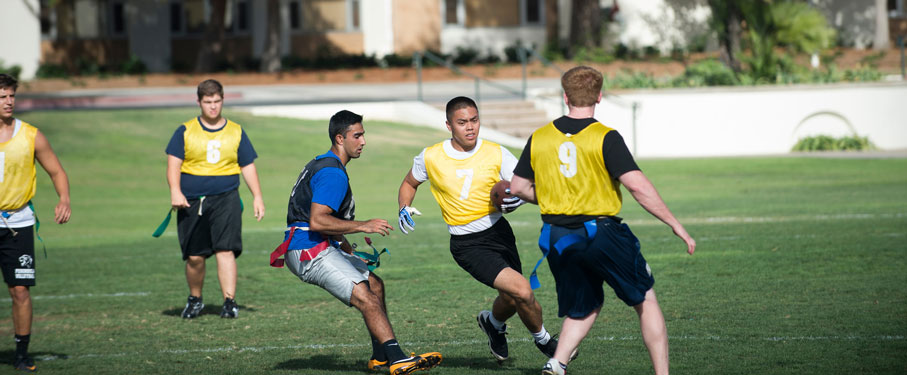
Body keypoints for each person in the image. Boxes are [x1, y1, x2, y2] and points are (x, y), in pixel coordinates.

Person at [508, 66, 696, 375]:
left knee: (585, 304)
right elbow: (637, 186)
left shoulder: (539, 138)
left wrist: (558, 199)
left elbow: (517, 187)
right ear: (600, 96)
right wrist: (674, 223)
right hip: (600, 233)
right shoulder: (605, 137)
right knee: (645, 298)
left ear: (565, 96)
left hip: (555, 234)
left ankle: (558, 362)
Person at [397, 96, 569, 362]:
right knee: (522, 290)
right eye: (462, 122)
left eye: (474, 120)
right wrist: (404, 207)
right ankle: (546, 342)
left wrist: (517, 200)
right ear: (449, 125)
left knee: (511, 298)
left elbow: (524, 187)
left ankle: (492, 324)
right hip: (467, 244)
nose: (470, 127)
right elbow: (409, 183)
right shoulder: (431, 156)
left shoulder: (496, 152)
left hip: (500, 233)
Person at [270, 110, 442, 375]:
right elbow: (318, 221)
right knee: (366, 297)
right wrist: (363, 225)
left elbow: (326, 222)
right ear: (340, 138)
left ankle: (380, 357)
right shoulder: (333, 174)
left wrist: (349, 252)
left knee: (375, 285)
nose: (363, 141)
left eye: (363, 135)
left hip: (314, 245)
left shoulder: (324, 163)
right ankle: (398, 359)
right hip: (308, 249)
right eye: (357, 136)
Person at [165, 79, 265, 319]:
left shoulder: (236, 131)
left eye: (217, 101)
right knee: (195, 257)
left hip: (226, 198)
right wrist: (175, 191)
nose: (213, 107)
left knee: (225, 250)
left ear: (222, 100)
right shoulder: (185, 131)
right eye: (208, 102)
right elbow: (173, 165)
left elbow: (248, 166)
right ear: (199, 102)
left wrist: (257, 196)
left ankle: (229, 302)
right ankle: (195, 299)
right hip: (191, 201)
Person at [0, 73, 72, 372]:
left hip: (19, 223)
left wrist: (64, 198)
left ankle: (21, 353)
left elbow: (57, 171)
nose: (8, 102)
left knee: (20, 291)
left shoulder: (31, 135)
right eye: (2, 96)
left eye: (11, 96)